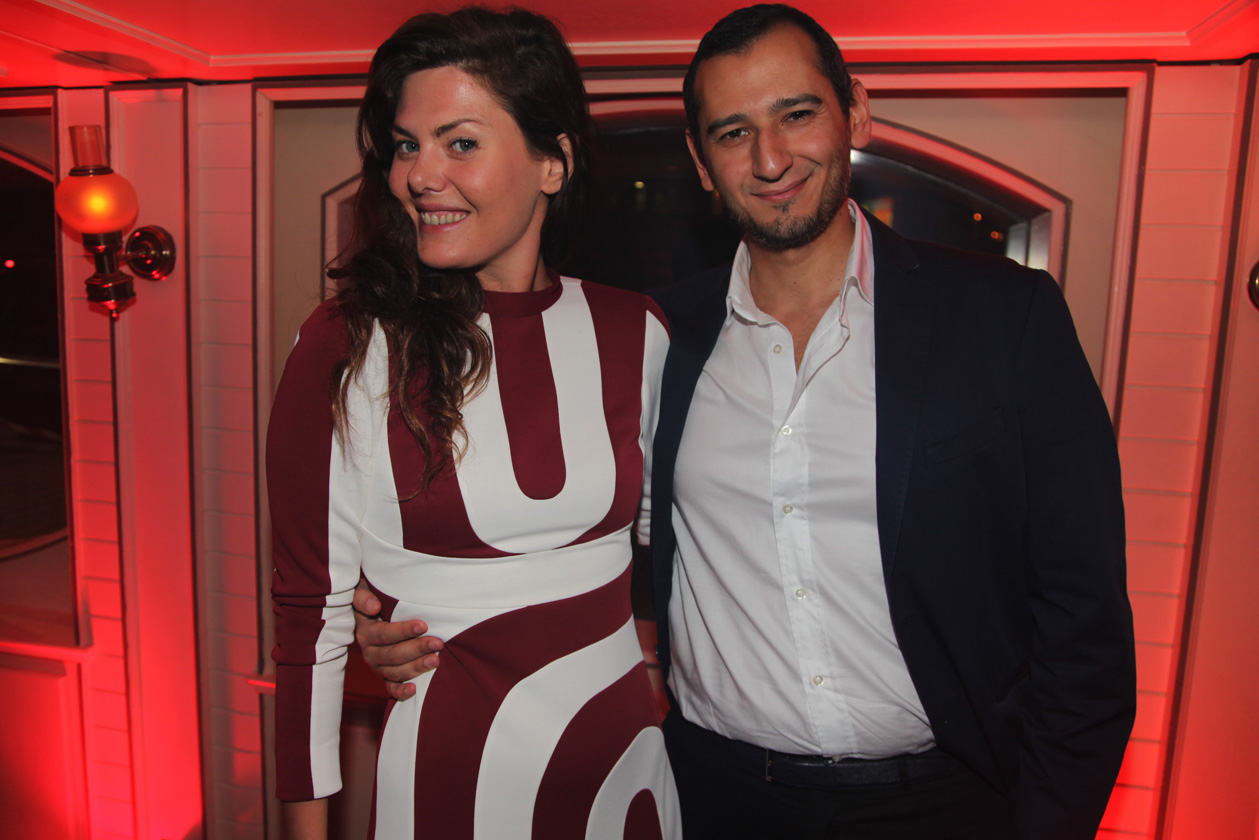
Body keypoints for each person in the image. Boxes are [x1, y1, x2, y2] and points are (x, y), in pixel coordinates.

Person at [355, 5, 1135, 839]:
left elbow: (1083, 621)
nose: (769, 159)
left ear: (855, 112)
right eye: (733, 133)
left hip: (945, 801)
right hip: (716, 798)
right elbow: (567, 524)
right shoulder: (656, 340)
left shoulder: (1003, 318)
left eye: (796, 114)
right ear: (701, 162)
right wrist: (410, 612)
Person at [268, 8, 679, 839]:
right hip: (451, 787)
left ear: (553, 162)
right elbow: (308, 628)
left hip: (626, 774)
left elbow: (665, 551)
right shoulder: (348, 344)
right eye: (406, 145)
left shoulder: (636, 330)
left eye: (459, 143)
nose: (420, 174)